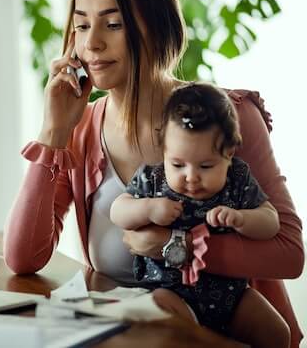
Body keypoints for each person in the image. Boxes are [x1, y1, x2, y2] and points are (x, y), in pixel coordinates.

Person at [3, 0, 304, 347]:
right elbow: (22, 259)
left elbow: (288, 254)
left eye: (113, 24)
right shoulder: (81, 131)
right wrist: (53, 130)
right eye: (81, 25)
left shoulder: (228, 116)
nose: (92, 42)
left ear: (158, 29)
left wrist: (171, 246)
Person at [110, 82, 286, 346]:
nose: (191, 177)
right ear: (164, 152)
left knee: (277, 333)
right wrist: (148, 208)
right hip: (169, 292)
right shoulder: (154, 180)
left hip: (232, 297)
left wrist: (243, 219)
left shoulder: (237, 178)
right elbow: (117, 211)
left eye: (205, 165)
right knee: (168, 320)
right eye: (178, 164)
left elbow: (270, 221)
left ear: (229, 155)